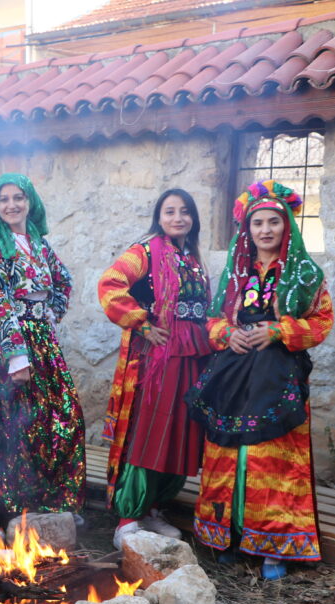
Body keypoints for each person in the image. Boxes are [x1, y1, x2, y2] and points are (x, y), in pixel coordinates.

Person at [187, 180, 333, 580]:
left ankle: (273, 547)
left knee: (272, 456)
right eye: (258, 223)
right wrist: (226, 334)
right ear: (247, 230)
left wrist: (279, 331)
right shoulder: (236, 274)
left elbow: (322, 321)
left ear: (287, 227)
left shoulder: (305, 274)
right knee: (229, 452)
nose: (265, 230)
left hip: (278, 375)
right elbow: (214, 319)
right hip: (234, 372)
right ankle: (227, 536)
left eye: (274, 222)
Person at [0, 173, 86, 522]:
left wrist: (50, 313)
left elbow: (64, 280)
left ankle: (53, 501)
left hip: (42, 341)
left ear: (29, 202)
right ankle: (10, 506)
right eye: (3, 199)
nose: (11, 205)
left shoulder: (39, 243)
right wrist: (16, 356)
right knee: (13, 424)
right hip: (9, 345)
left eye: (18, 197)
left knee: (61, 417)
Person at [98, 189, 211, 550]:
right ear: (159, 217)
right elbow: (110, 285)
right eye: (169, 212)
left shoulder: (193, 257)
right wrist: (142, 323)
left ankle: (155, 508)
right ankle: (128, 517)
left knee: (181, 432)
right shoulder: (144, 251)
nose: (177, 218)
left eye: (184, 212)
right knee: (150, 431)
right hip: (157, 357)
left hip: (193, 355)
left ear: (193, 218)